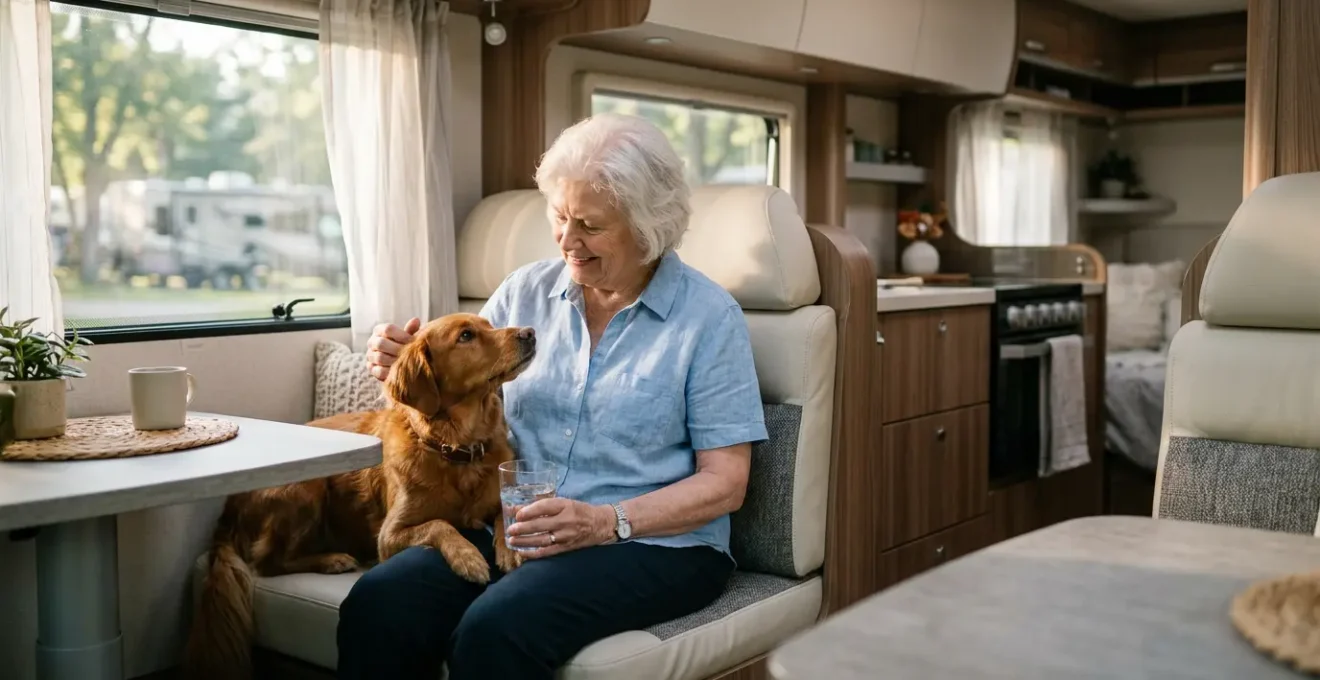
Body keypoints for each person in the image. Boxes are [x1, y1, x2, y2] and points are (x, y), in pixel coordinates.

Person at [335, 112, 768, 680]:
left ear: (648, 226)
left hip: (652, 544)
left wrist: (604, 520)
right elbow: (449, 382)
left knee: (493, 632)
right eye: (560, 217)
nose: (567, 240)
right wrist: (396, 361)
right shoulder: (524, 293)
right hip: (513, 527)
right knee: (377, 604)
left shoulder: (709, 320)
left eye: (589, 225)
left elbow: (726, 483)